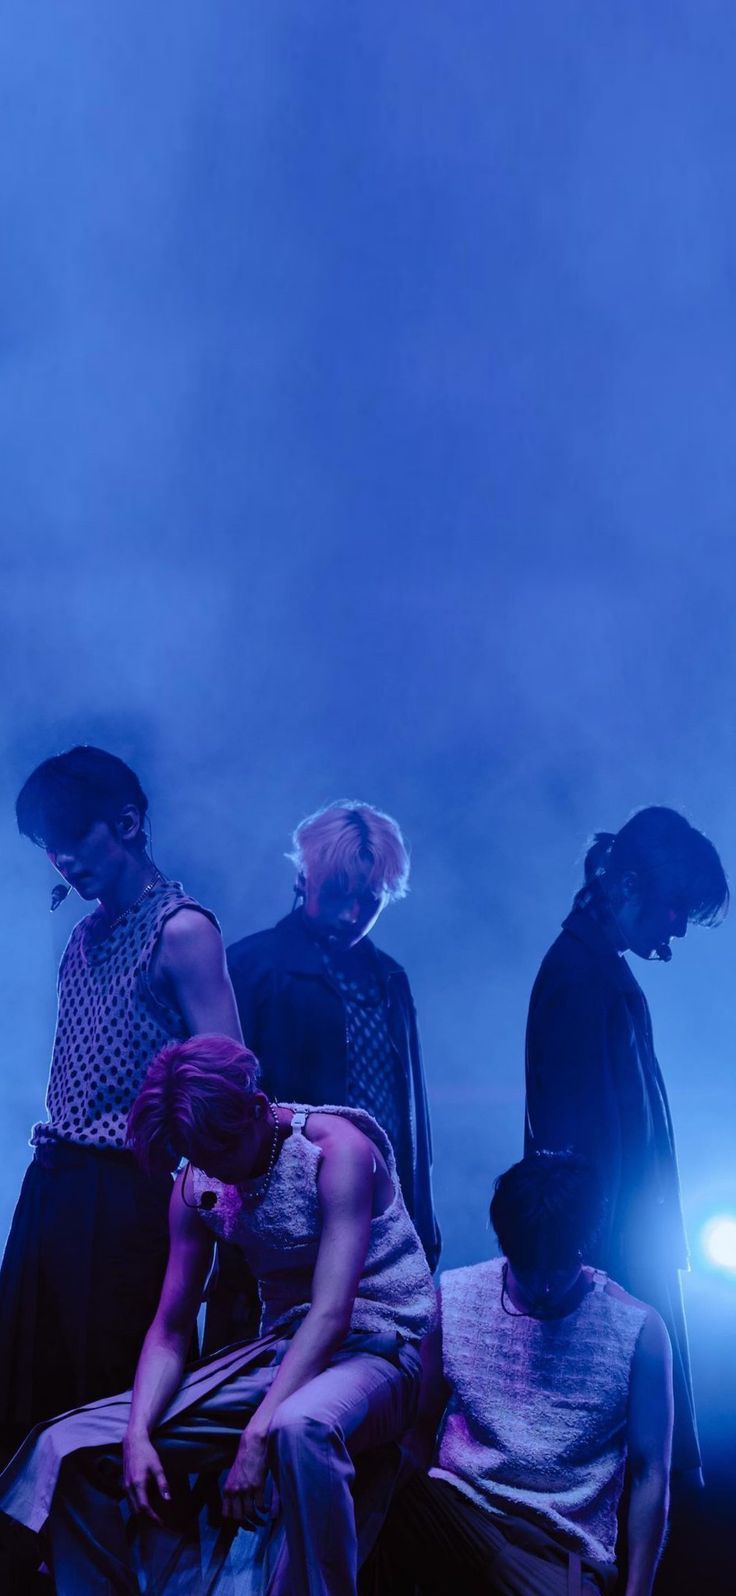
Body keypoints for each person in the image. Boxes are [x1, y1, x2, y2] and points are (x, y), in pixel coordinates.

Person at [0, 1034, 437, 1596]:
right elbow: (171, 1326)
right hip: (281, 1353)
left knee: (297, 1426)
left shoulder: (337, 1152)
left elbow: (332, 1313)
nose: (217, 1174)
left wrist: (255, 1437)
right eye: (200, 1159)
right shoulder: (197, 1180)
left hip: (379, 1347)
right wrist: (137, 1434)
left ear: (256, 1110)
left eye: (221, 1155)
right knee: (71, 1447)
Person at [0, 745, 242, 1460]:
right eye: (50, 848)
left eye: (75, 838)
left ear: (129, 822)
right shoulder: (83, 934)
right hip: (53, 1189)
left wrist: (213, 1200)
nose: (63, 861)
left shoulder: (183, 929)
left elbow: (228, 1075)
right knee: (24, 1390)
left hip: (127, 1194)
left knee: (98, 1398)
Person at [524, 806, 728, 1484]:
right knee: (629, 1471)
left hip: (620, 1256)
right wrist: (586, 1273)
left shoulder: (596, 969)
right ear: (632, 884)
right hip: (608, 1266)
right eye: (675, 907)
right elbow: (569, 1149)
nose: (677, 927)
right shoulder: (580, 977)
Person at [367, 1152, 673, 1596]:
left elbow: (652, 1473)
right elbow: (416, 1434)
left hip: (561, 1551)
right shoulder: (454, 1299)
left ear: (587, 1247)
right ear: (507, 1247)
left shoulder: (638, 1330)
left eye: (560, 1267)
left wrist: (639, 1592)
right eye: (531, 1269)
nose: (545, 1286)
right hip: (457, 1515)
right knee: (378, 1480)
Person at [226, 800, 440, 1270]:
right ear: (304, 877)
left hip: (385, 1214)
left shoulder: (390, 978)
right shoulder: (250, 967)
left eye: (370, 899)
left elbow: (411, 1114)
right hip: (281, 1220)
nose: (352, 915)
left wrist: (422, 1222)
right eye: (339, 894)